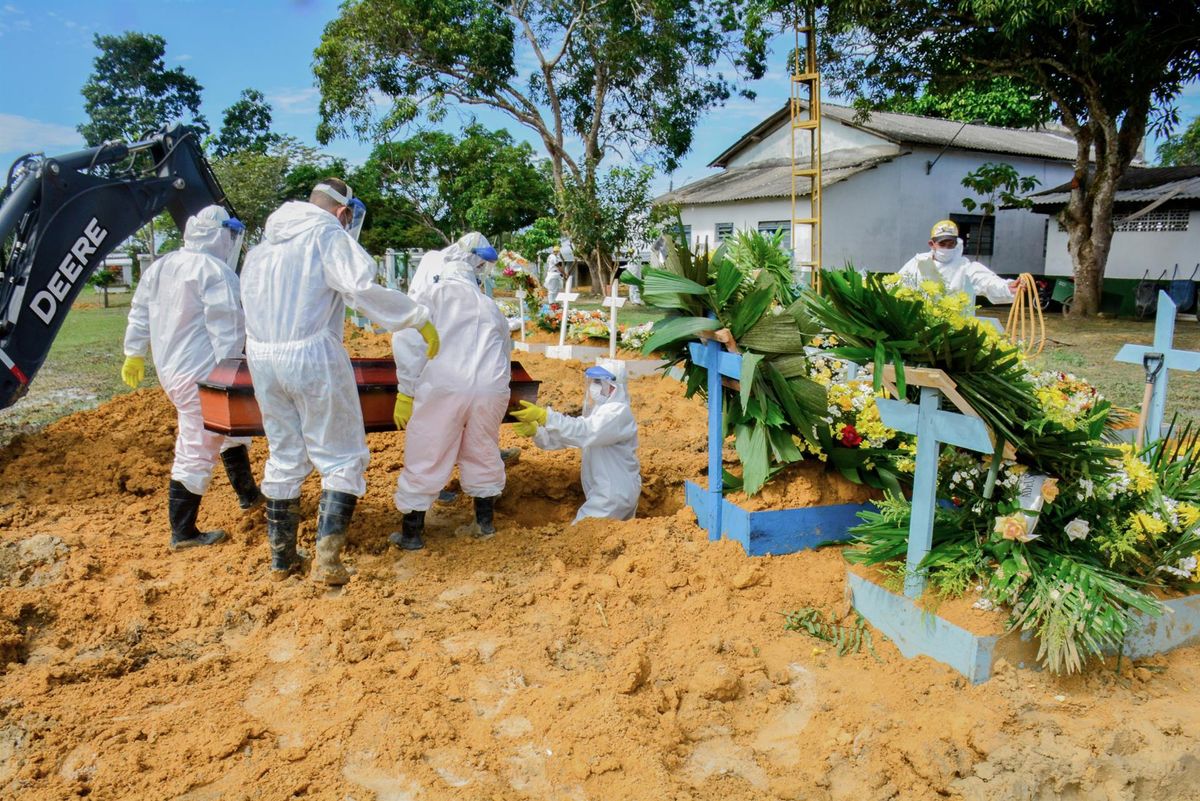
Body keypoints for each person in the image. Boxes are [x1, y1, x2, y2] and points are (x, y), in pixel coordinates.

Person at [239, 178, 439, 584]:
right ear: (343, 212)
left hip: (261, 357)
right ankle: (327, 561)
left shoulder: (263, 248)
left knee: (284, 455)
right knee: (342, 456)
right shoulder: (326, 235)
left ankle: (281, 561)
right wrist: (415, 318)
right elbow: (360, 287)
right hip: (311, 355)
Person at [122, 205, 262, 551]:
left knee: (228, 433)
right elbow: (227, 328)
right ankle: (183, 532)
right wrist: (235, 372)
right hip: (205, 373)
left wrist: (133, 353)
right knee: (197, 446)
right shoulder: (214, 271)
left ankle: (248, 495)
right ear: (219, 235)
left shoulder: (161, 266)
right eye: (229, 235)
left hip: (171, 370)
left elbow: (139, 312)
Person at [389, 239, 512, 549]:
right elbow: (504, 350)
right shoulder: (488, 304)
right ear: (475, 269)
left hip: (445, 386)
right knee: (483, 450)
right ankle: (484, 524)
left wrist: (406, 390)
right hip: (490, 388)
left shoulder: (433, 294)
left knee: (427, 452)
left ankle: (412, 534)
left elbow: (407, 340)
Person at [511, 359, 640, 523]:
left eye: (599, 382)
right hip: (608, 492)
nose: (594, 386)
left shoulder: (617, 413)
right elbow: (571, 438)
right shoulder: (602, 411)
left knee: (579, 538)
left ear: (614, 386)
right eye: (594, 381)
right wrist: (537, 431)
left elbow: (583, 431)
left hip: (612, 495)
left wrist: (546, 417)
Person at [898, 219, 1017, 304]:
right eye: (942, 244)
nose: (946, 249)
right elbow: (897, 284)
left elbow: (986, 281)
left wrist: (1007, 287)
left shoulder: (964, 266)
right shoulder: (919, 262)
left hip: (955, 325)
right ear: (932, 244)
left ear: (956, 244)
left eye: (951, 245)